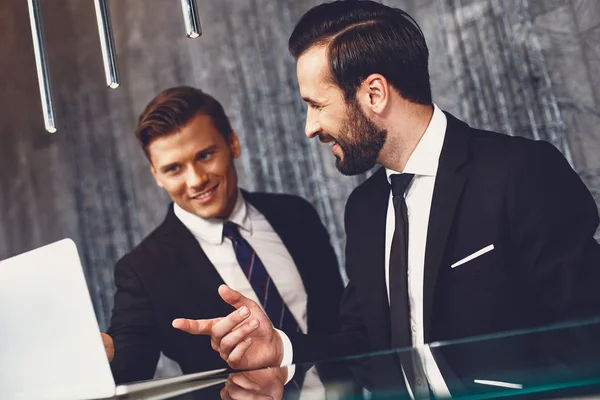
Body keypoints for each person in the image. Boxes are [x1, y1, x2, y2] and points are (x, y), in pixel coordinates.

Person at [172, 0, 600, 397]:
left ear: (373, 94)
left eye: (317, 104)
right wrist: (281, 347)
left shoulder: (521, 172)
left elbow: (585, 336)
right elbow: (365, 343)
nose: (309, 127)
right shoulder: (364, 210)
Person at [101, 86, 348, 396]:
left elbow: (344, 325)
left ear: (232, 142)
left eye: (205, 156)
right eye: (173, 168)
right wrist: (104, 353)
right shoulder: (143, 270)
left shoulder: (296, 215)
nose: (196, 180)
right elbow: (130, 362)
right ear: (156, 174)